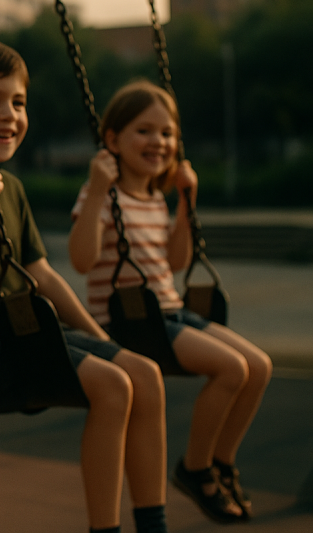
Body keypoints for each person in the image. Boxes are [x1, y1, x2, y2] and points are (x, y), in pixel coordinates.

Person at [0, 38, 170, 533]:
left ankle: (153, 523)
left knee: (143, 374)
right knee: (112, 387)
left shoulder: (12, 188)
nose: (9, 114)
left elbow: (42, 275)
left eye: (18, 102)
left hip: (17, 333)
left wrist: (101, 339)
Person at [68, 80, 271, 524]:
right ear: (113, 139)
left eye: (167, 133)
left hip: (169, 309)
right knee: (231, 368)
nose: (158, 142)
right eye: (144, 130)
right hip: (129, 320)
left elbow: (176, 261)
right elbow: (81, 261)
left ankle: (220, 461)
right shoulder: (100, 195)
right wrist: (99, 189)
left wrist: (187, 201)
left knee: (258, 367)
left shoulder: (157, 199)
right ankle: (195, 469)